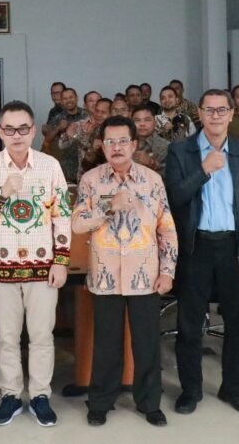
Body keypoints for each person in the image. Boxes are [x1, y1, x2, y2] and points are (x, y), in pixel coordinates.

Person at [164, 90, 239, 416]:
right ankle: (190, 390)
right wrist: (204, 170)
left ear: (232, 113)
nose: (216, 115)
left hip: (235, 248)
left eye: (222, 109)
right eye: (209, 110)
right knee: (190, 323)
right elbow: (174, 197)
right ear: (199, 113)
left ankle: (234, 388)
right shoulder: (181, 151)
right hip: (196, 248)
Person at [0, 101, 71, 427]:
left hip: (43, 268)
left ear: (32, 129)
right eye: (9, 129)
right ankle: (10, 395)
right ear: (0, 132)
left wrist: (61, 261)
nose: (17, 135)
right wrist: (1, 193)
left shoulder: (50, 165)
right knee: (7, 337)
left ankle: (40, 395)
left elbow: (63, 216)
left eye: (23, 128)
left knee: (42, 336)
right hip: (2, 268)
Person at [72, 116, 177, 427]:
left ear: (134, 144)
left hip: (145, 275)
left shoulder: (152, 181)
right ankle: (101, 401)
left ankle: (149, 402)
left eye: (122, 142)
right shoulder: (91, 180)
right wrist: (108, 206)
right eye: (110, 142)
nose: (116, 148)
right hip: (105, 276)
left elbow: (167, 230)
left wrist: (168, 271)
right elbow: (77, 224)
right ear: (102, 145)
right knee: (106, 343)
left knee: (146, 344)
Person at [47, 88, 88, 182]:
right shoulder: (57, 118)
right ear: (61, 101)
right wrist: (58, 128)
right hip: (65, 167)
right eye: (65, 98)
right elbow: (48, 138)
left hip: (85, 165)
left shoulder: (86, 115)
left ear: (77, 98)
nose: (68, 100)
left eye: (71, 97)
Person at [132, 107, 169, 173]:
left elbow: (170, 176)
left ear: (155, 123)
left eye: (147, 120)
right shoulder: (125, 143)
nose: (142, 124)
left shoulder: (165, 146)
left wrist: (150, 162)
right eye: (137, 120)